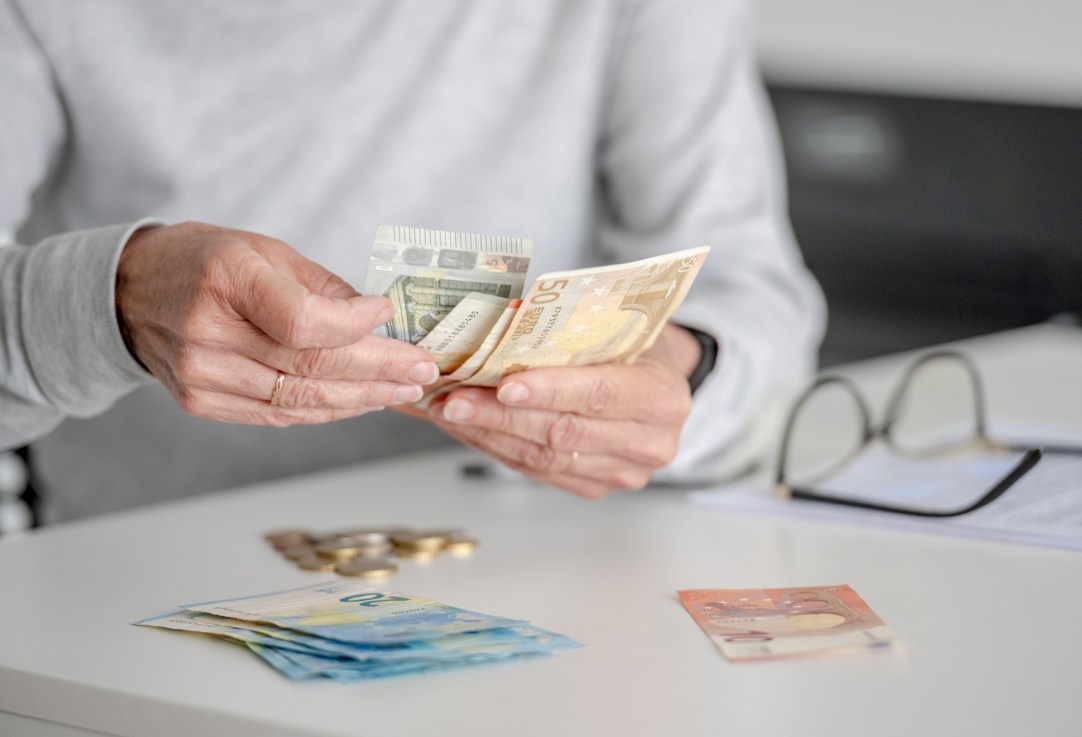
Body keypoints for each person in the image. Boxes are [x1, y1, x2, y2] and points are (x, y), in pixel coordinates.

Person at [0, 0, 826, 522]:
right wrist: (110, 304)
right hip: (129, 588)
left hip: (547, 568)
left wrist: (683, 373)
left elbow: (751, 296)